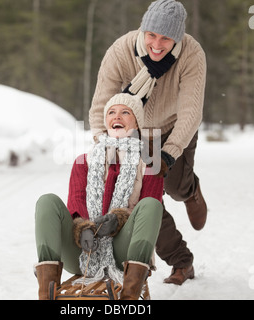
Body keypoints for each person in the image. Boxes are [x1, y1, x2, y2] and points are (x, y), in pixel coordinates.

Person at [89, 0, 207, 286]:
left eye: (166, 38)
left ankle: (190, 191)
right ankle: (182, 261)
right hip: (135, 132)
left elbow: (191, 112)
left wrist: (168, 155)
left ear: (177, 38)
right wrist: (101, 144)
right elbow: (101, 105)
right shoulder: (121, 50)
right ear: (143, 30)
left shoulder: (191, 54)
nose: (157, 44)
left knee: (174, 187)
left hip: (173, 127)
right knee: (145, 199)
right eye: (151, 35)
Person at [34, 93, 164, 300]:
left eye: (125, 112)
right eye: (111, 112)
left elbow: (149, 213)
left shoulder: (150, 165)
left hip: (125, 252)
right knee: (47, 201)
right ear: (105, 121)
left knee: (152, 205)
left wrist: (119, 219)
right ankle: (45, 294)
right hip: (81, 251)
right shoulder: (83, 162)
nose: (117, 117)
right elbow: (75, 204)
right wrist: (82, 228)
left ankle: (129, 298)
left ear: (137, 122)